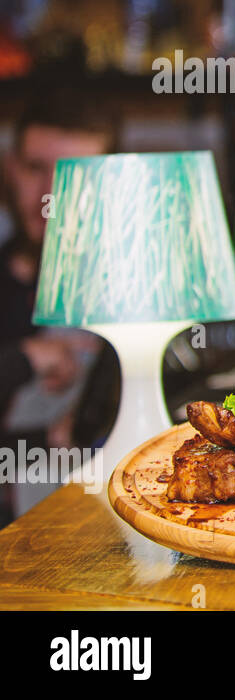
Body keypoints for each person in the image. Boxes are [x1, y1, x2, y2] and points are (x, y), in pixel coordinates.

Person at [0, 88, 119, 526]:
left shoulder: (130, 292)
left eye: (74, 174)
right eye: (35, 169)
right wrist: (23, 359)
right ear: (10, 170)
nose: (49, 195)